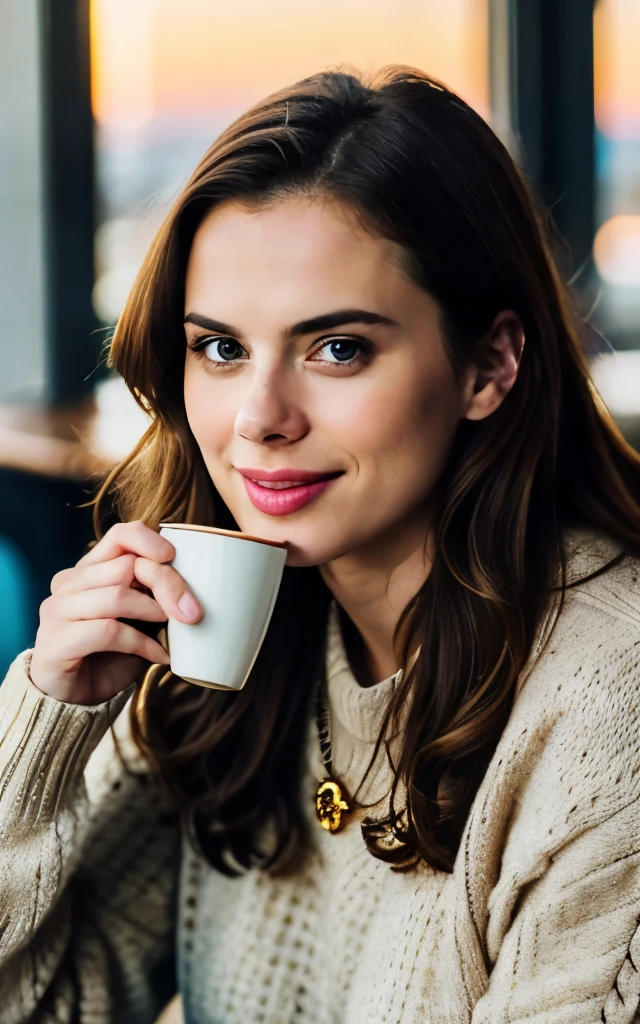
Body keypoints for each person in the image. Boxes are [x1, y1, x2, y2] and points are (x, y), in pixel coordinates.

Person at [1, 66, 639, 1024]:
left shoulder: (608, 701)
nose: (258, 418)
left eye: (337, 348)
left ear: (490, 365)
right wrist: (45, 727)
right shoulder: (223, 649)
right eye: (220, 347)